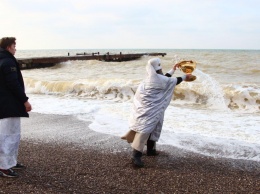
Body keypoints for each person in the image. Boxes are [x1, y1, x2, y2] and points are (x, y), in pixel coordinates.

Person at [121, 58, 196, 167]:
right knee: (144, 131)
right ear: (158, 68)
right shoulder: (158, 79)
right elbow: (172, 80)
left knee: (155, 127)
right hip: (149, 109)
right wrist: (185, 77)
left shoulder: (151, 77)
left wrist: (173, 69)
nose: (161, 70)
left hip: (150, 108)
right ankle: (135, 156)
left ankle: (151, 150)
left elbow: (165, 78)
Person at [0, 37, 32, 177]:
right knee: (10, 135)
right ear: (8, 47)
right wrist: (25, 101)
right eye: (14, 46)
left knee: (8, 135)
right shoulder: (7, 62)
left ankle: (9, 162)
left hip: (4, 103)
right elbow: (13, 84)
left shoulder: (2, 59)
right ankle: (4, 167)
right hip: (9, 104)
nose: (15, 48)